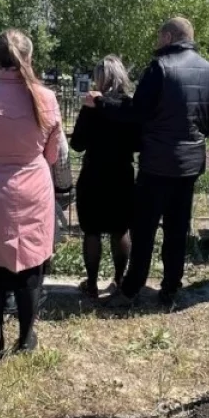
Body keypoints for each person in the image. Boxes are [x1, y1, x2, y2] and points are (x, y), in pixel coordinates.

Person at [86, 17, 209, 308]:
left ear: (170, 36)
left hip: (158, 163)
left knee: (144, 229)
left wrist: (101, 103)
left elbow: (136, 112)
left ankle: (132, 288)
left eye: (159, 37)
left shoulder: (160, 68)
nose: (156, 42)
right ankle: (171, 287)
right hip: (189, 164)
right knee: (177, 229)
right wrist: (192, 135)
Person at [0, 29, 62, 357]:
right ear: (29, 58)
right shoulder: (46, 98)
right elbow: (52, 156)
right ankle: (27, 337)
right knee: (30, 268)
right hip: (33, 188)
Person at [70, 55, 137, 297]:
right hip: (122, 173)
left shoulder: (92, 106)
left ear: (101, 78)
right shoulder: (130, 106)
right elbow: (138, 142)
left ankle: (91, 284)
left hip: (94, 173)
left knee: (92, 231)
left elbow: (77, 143)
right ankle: (119, 281)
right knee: (120, 229)